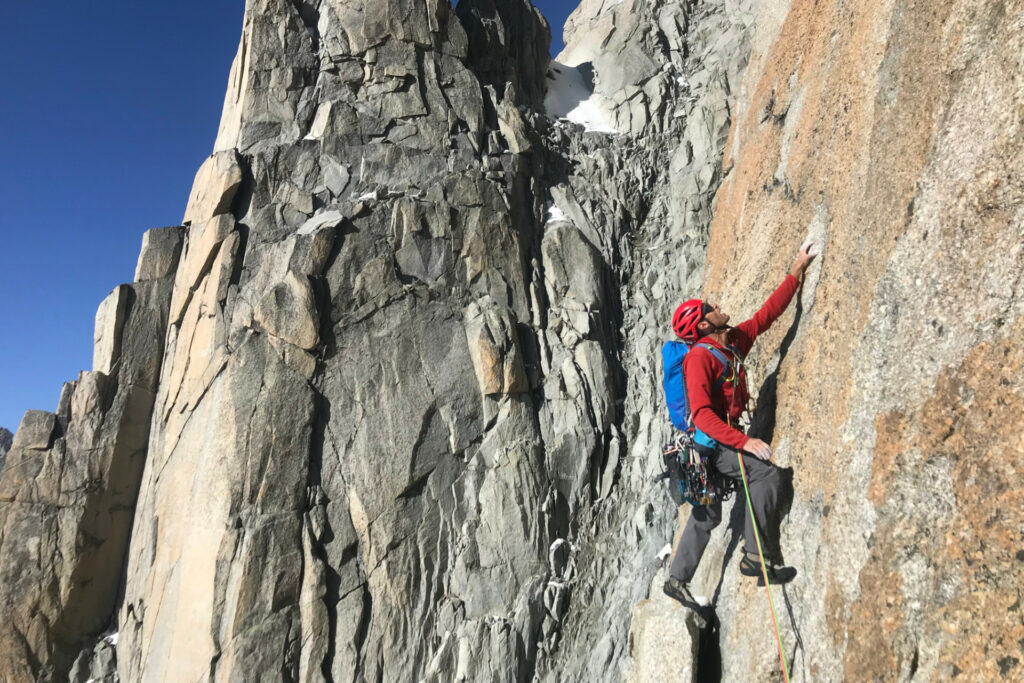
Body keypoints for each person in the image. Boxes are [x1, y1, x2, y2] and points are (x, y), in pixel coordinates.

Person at [663, 242, 817, 609]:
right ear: (702, 324)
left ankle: (676, 579)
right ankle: (757, 556)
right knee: (764, 474)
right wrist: (744, 443)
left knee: (708, 513)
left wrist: (796, 271)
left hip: (709, 447)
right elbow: (701, 414)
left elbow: (765, 317)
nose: (718, 307)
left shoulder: (729, 345)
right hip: (713, 448)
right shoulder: (701, 359)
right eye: (710, 309)